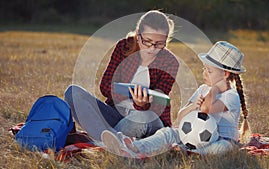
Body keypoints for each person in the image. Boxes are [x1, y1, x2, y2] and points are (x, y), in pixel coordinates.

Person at [101, 41, 248, 157]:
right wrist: (191, 107)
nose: (204, 73)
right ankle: (131, 147)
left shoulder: (231, 96)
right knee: (168, 132)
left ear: (226, 74)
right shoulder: (203, 89)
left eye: (209, 71)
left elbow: (206, 109)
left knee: (219, 148)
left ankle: (186, 151)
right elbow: (181, 117)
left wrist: (216, 88)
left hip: (222, 140)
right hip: (194, 136)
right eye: (204, 68)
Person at [64, 10, 179, 141]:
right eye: (147, 41)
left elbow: (159, 103)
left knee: (141, 117)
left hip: (148, 119)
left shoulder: (170, 62)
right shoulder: (123, 47)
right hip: (117, 114)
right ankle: (112, 139)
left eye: (159, 44)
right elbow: (105, 86)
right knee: (73, 92)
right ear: (138, 35)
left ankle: (103, 139)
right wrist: (129, 94)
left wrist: (140, 105)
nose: (152, 48)